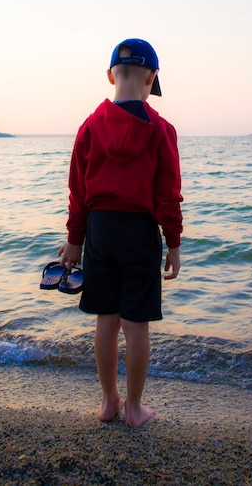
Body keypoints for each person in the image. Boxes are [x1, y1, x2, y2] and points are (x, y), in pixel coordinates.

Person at [57, 38, 183, 427]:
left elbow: (78, 189)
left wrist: (75, 238)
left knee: (106, 320)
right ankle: (134, 408)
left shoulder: (90, 127)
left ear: (111, 75)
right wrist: (173, 244)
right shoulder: (161, 129)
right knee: (136, 324)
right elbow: (168, 194)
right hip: (138, 230)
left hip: (100, 230)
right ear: (152, 78)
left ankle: (109, 401)